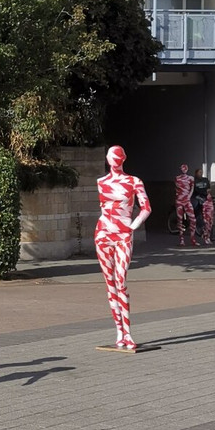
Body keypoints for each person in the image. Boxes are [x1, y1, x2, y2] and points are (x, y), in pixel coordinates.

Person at [95, 145, 151, 350]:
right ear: (108, 159)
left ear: (123, 159)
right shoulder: (101, 182)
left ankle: (127, 332)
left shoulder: (134, 181)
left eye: (117, 156)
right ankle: (119, 332)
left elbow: (146, 208)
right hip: (103, 233)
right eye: (111, 156)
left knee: (121, 281)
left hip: (123, 235)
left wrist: (132, 226)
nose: (114, 160)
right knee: (110, 284)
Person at [174, 164, 197, 246]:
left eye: (185, 168)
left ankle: (192, 238)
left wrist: (189, 196)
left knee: (193, 219)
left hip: (186, 200)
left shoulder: (191, 178)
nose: (184, 169)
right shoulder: (177, 178)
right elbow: (176, 189)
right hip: (179, 200)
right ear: (180, 169)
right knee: (179, 220)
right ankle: (181, 240)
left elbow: (192, 188)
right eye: (182, 168)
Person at [191, 167, 210, 241]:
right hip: (195, 197)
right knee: (195, 206)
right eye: (199, 172)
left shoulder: (205, 180)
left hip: (203, 197)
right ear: (196, 173)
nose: (201, 174)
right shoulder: (193, 181)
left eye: (201, 172)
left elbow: (208, 188)